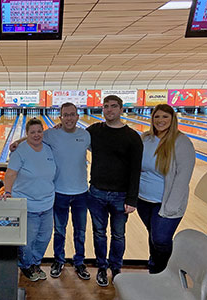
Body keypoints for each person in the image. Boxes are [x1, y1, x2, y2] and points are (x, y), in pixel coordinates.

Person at [10, 103, 91, 280]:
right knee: (58, 231)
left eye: (72, 114)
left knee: (80, 231)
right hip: (59, 192)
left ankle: (79, 262)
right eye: (65, 115)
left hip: (81, 192)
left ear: (78, 116)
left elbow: (101, 153)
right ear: (60, 117)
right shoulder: (51, 134)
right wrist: (17, 142)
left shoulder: (86, 135)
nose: (69, 118)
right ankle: (58, 261)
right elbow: (34, 137)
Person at [86, 95, 143, 287]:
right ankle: (102, 267)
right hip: (96, 193)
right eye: (106, 106)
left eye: (113, 106)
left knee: (118, 235)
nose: (109, 110)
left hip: (121, 196)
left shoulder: (133, 137)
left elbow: (136, 170)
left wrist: (132, 199)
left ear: (121, 109)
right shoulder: (94, 130)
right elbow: (73, 139)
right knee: (99, 233)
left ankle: (116, 267)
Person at [137, 104, 195, 274]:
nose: (160, 121)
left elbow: (182, 178)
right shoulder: (145, 138)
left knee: (161, 239)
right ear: (152, 118)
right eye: (157, 117)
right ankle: (154, 268)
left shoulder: (181, 142)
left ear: (172, 119)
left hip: (166, 202)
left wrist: (170, 207)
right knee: (154, 237)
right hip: (144, 200)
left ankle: (165, 272)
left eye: (165, 117)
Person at [1, 118, 56, 282]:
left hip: (47, 203)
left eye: (39, 131)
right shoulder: (20, 151)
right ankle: (26, 266)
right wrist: (8, 191)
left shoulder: (49, 149)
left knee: (44, 237)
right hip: (27, 204)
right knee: (28, 240)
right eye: (33, 132)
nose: (37, 135)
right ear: (27, 134)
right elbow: (10, 174)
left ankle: (35, 263)